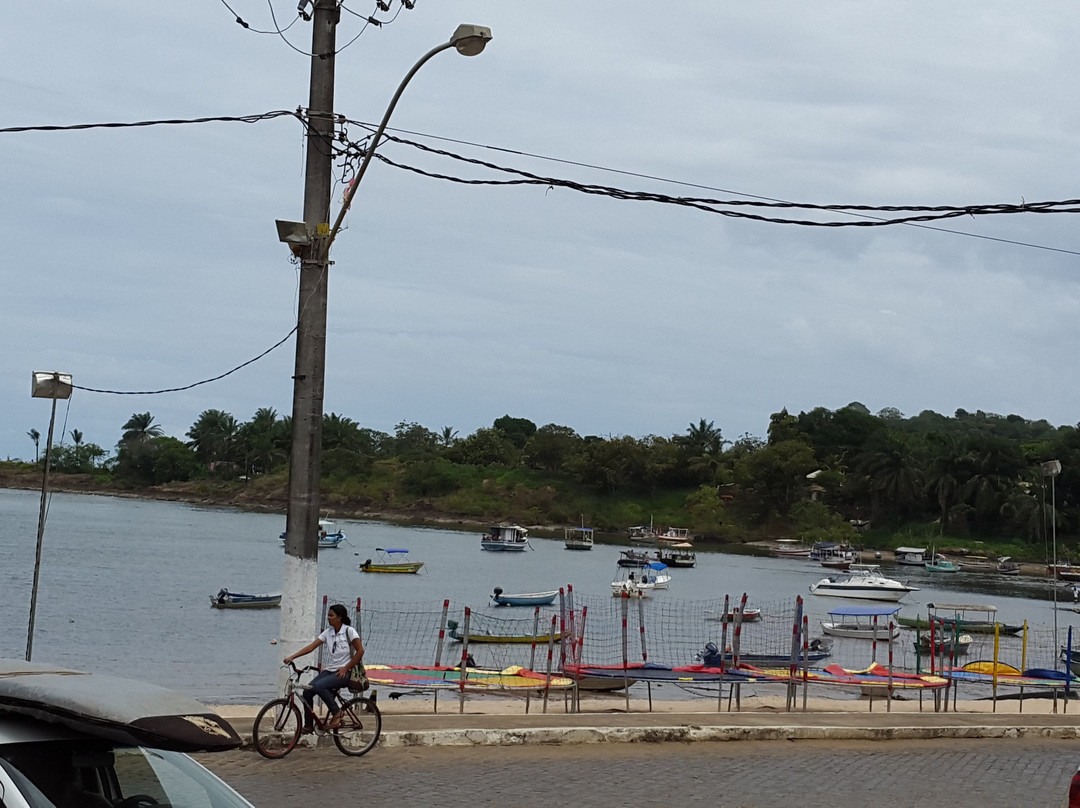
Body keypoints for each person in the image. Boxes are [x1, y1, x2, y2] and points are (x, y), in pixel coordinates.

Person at [283, 603, 364, 731]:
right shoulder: (328, 633)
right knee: (308, 691)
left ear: (339, 618)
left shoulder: (349, 631)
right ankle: (308, 725)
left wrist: (345, 667)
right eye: (328, 615)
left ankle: (337, 712)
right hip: (331, 670)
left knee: (319, 686)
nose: (328, 618)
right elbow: (311, 647)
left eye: (331, 615)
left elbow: (360, 651)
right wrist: (293, 657)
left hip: (346, 672)